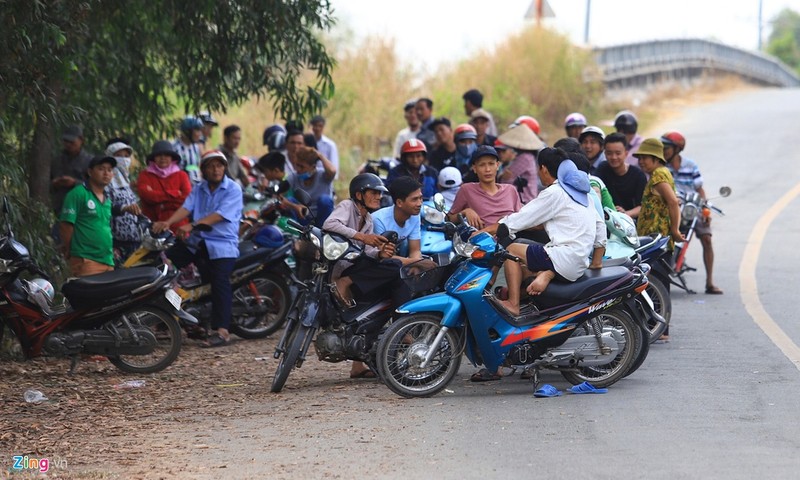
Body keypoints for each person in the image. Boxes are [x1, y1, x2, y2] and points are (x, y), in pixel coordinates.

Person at [496, 148, 606, 316]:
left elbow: (522, 218)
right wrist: (596, 263)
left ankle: (513, 304)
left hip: (564, 258)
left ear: (543, 169)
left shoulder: (555, 192)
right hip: (579, 263)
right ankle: (536, 291)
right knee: (524, 264)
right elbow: (600, 227)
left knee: (512, 250)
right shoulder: (585, 196)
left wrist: (500, 227)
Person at [152, 150, 243, 347]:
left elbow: (219, 215)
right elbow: (186, 207)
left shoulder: (233, 189)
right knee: (163, 263)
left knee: (219, 282)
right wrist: (168, 222)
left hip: (222, 244)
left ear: (225, 168)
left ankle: (222, 331)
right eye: (211, 166)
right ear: (203, 170)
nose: (215, 169)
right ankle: (165, 317)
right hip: (198, 242)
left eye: (219, 165)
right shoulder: (199, 188)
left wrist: (192, 225)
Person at [323, 173, 406, 378]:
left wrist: (379, 253)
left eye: (379, 193)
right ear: (359, 195)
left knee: (394, 267)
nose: (378, 197)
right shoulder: (347, 206)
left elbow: (365, 251)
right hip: (339, 269)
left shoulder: (368, 219)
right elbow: (329, 225)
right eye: (373, 193)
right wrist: (362, 236)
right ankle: (404, 328)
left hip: (355, 265)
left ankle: (360, 363)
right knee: (394, 269)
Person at [662, 131, 722, 294]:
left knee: (707, 239)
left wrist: (705, 208)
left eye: (666, 147)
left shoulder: (690, 165)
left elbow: (700, 189)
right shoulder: (661, 167)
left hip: (691, 207)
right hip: (672, 207)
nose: (664, 150)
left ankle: (710, 282)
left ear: (677, 149)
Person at [59, 156, 141, 277]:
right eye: (101, 169)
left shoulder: (107, 199)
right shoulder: (78, 194)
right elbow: (66, 225)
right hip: (86, 259)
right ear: (90, 172)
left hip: (107, 260)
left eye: (109, 170)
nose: (106, 173)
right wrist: (72, 251)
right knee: (88, 295)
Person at [448, 146, 521, 231]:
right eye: (482, 165)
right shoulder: (466, 190)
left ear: (497, 165)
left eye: (491, 164)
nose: (487, 169)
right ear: (474, 168)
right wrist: (465, 212)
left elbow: (520, 219)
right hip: (482, 241)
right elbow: (449, 220)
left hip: (513, 238)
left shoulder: (510, 190)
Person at [136, 140, 192, 235]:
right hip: (152, 228)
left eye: (166, 155)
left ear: (172, 158)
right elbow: (146, 196)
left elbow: (187, 200)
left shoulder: (182, 175)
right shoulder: (145, 175)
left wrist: (160, 203)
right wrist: (175, 193)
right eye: (159, 155)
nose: (163, 158)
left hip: (178, 229)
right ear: (154, 158)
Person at [104, 139, 141, 262]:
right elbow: (105, 206)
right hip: (115, 241)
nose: (123, 159)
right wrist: (123, 208)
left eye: (126, 156)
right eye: (118, 156)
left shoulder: (126, 181)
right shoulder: (106, 181)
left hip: (133, 239)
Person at [595, 133, 647, 219]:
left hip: (630, 221)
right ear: (604, 154)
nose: (614, 157)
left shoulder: (638, 175)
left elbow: (642, 206)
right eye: (609, 153)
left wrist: (625, 214)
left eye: (618, 153)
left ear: (626, 153)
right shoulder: (602, 169)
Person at [372, 177, 423, 261]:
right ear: (399, 202)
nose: (419, 203)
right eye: (414, 199)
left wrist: (416, 266)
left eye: (420, 198)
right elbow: (382, 255)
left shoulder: (415, 215)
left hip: (399, 257)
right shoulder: (378, 220)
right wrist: (415, 262)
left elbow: (415, 251)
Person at [286, 146, 335, 226]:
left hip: (322, 218)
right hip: (303, 217)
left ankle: (326, 231)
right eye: (297, 165)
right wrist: (295, 206)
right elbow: (279, 196)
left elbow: (332, 170)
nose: (298, 169)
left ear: (313, 167)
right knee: (290, 200)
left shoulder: (323, 175)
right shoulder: (294, 177)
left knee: (325, 200)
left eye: (302, 167)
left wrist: (320, 156)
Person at [51, 125, 93, 217]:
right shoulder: (57, 160)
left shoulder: (90, 161)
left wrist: (75, 183)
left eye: (72, 141)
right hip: (61, 209)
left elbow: (96, 187)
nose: (68, 144)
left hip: (83, 210)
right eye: (66, 141)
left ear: (81, 140)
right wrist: (55, 183)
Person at [496, 124, 544, 203]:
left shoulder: (525, 158)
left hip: (525, 200)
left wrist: (502, 177)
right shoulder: (525, 157)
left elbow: (507, 177)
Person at [309, 115, 340, 182]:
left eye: (320, 126)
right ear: (312, 127)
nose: (317, 128)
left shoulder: (330, 145)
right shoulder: (308, 141)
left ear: (323, 127)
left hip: (324, 178)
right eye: (315, 126)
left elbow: (334, 164)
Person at [174, 116, 204, 184]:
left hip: (196, 185)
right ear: (187, 131)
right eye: (197, 130)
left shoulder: (196, 147)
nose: (200, 134)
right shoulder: (175, 147)